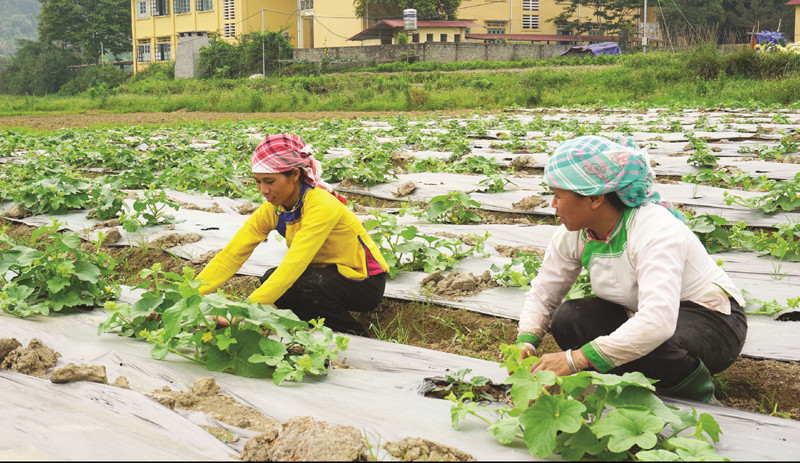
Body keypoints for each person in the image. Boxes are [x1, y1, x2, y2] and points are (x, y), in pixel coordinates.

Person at [517, 135, 747, 403]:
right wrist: (527, 339)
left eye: (558, 195)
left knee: (651, 342)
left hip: (713, 321)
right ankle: (629, 380)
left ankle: (697, 395)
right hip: (645, 313)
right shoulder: (574, 234)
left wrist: (577, 359)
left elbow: (657, 323)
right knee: (570, 318)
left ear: (594, 198)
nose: (552, 204)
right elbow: (543, 293)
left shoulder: (655, 230)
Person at [196, 134, 389, 335]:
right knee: (271, 278)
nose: (263, 190)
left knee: (301, 285)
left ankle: (352, 334)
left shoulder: (320, 205)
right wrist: (187, 297)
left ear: (295, 174)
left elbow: (295, 263)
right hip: (327, 274)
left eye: (269, 181)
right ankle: (320, 330)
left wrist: (244, 312)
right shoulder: (274, 208)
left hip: (364, 281)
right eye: (258, 181)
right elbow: (232, 255)